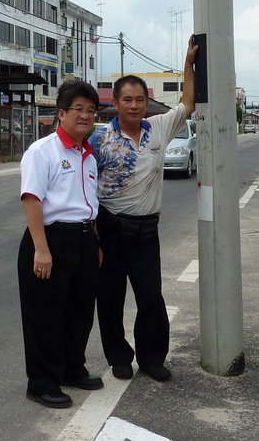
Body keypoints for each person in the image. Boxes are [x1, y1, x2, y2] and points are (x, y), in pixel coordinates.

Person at [90, 36, 198, 382]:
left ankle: (152, 358)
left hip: (146, 232)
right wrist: (92, 231)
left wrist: (188, 63)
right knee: (109, 298)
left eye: (139, 99)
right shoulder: (99, 139)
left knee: (151, 297)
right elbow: (83, 186)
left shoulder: (160, 128)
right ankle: (118, 356)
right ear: (116, 104)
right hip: (109, 230)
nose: (134, 106)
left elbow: (188, 104)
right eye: (127, 100)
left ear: (146, 102)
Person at [17, 80, 103, 409]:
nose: (85, 115)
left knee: (79, 311)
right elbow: (32, 200)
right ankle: (41, 383)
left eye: (91, 110)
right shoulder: (43, 151)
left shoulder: (88, 155)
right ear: (62, 113)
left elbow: (87, 201)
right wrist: (41, 249)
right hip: (49, 240)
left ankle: (71, 369)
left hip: (83, 239)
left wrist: (93, 240)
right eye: (78, 109)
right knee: (45, 315)